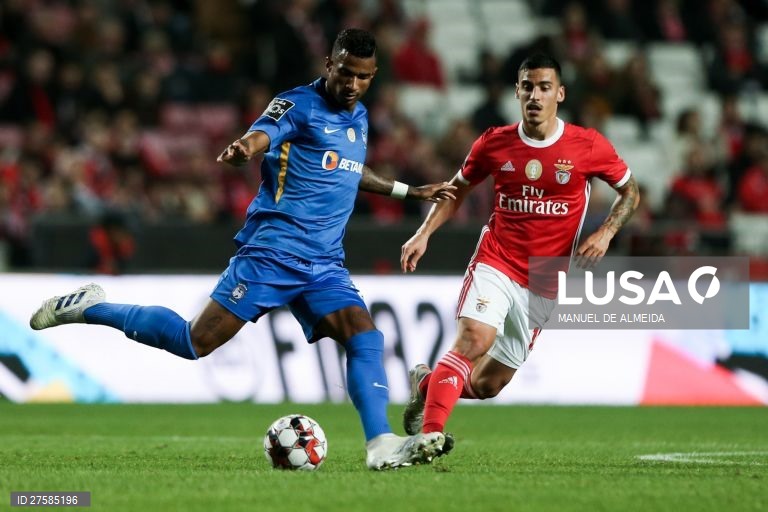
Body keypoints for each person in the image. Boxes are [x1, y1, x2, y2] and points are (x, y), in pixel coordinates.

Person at [29, 28, 456, 470]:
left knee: (364, 335)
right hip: (272, 252)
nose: (352, 85)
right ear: (329, 65)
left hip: (324, 262)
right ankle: (89, 307)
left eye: (362, 78)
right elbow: (264, 133)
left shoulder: (360, 117)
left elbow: (348, 169)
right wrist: (244, 149)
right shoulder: (299, 104)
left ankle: (380, 445)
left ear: (373, 76)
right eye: (345, 73)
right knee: (193, 341)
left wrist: (410, 191)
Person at [399, 54, 640, 444]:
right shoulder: (494, 143)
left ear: (559, 94)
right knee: (474, 339)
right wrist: (424, 232)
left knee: (487, 384)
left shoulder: (588, 145)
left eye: (544, 87)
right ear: (517, 91)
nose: (535, 95)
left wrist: (607, 232)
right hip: (497, 259)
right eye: (527, 86)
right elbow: (456, 190)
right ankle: (430, 435)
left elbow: (630, 191)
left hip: (544, 280)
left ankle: (427, 384)